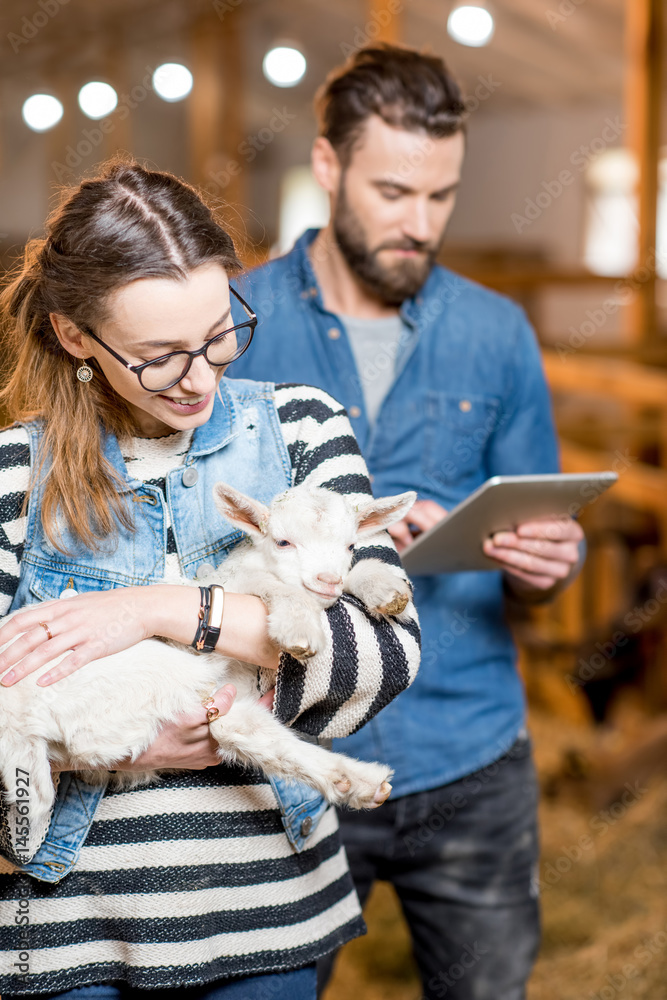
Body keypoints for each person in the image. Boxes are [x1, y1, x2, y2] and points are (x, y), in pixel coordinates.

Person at [0, 161, 420, 1000]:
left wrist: (163, 609)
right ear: (77, 337)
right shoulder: (17, 474)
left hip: (267, 918)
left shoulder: (301, 427)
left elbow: (382, 660)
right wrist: (98, 749)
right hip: (66, 934)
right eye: (160, 357)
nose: (199, 375)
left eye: (220, 333)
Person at [230, 44, 584, 1000]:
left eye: (440, 197)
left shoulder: (495, 331)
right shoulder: (234, 326)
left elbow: (542, 524)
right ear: (330, 167)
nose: (417, 225)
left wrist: (553, 556)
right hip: (287, 750)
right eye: (393, 193)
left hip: (468, 752)